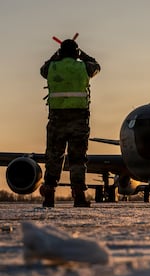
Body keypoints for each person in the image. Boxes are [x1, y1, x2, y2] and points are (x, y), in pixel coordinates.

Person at [40, 39, 101, 207]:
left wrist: (56, 56)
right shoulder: (84, 67)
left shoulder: (51, 67)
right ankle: (79, 195)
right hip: (78, 120)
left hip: (56, 120)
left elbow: (42, 69)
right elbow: (96, 65)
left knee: (53, 156)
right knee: (78, 158)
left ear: (60, 53)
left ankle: (49, 195)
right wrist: (83, 54)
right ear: (76, 53)